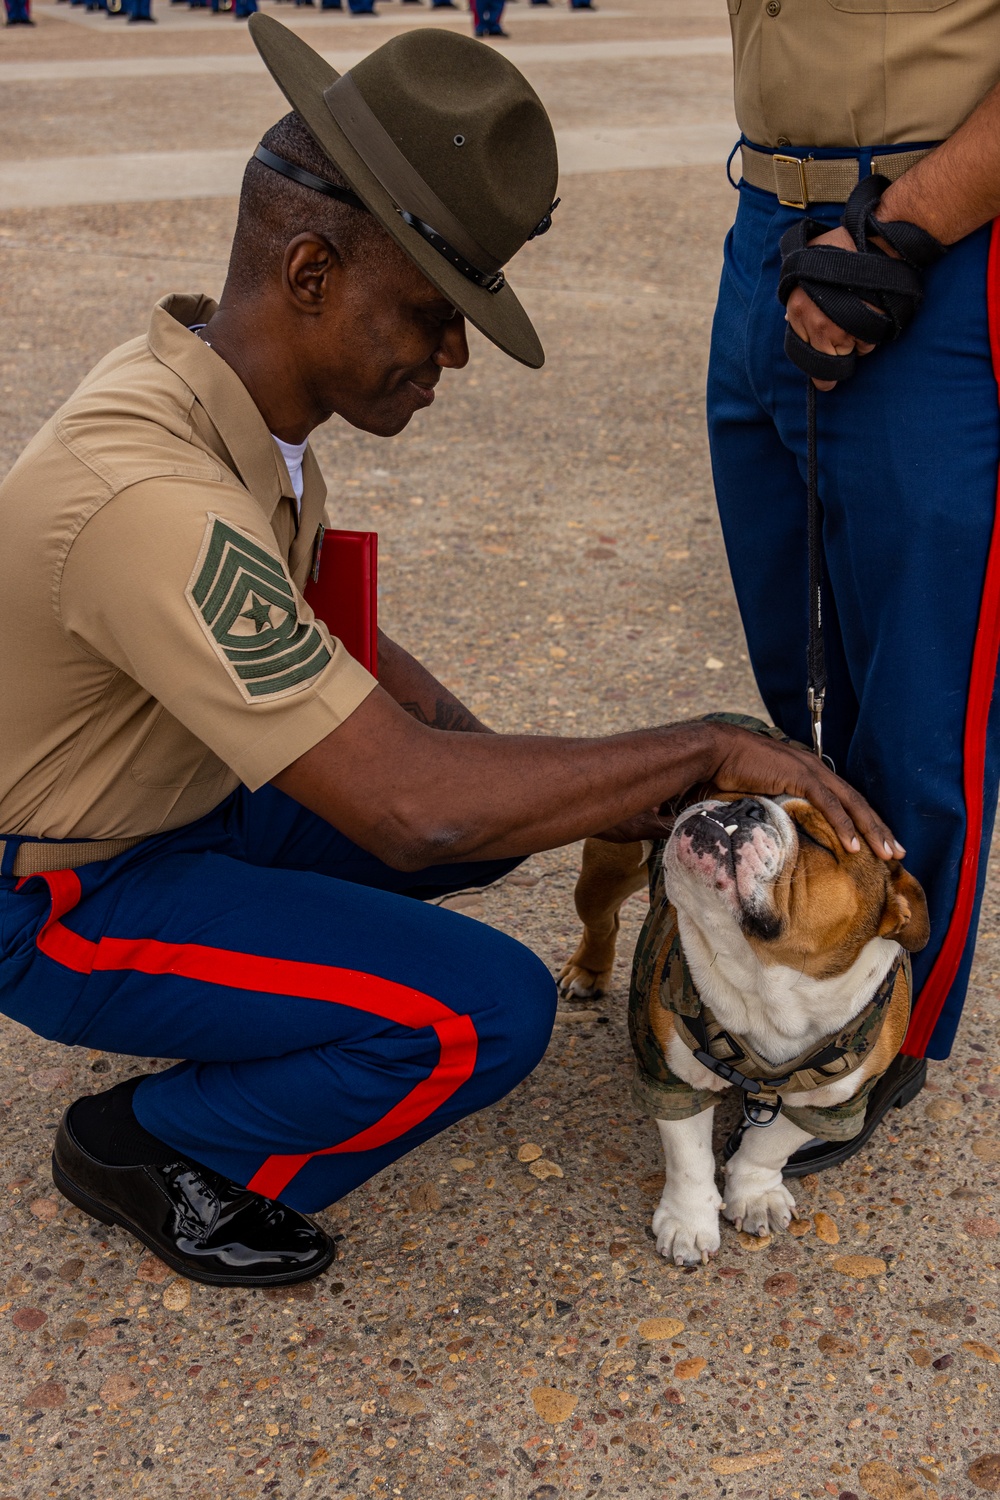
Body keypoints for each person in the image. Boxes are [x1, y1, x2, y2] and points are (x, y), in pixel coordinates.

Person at [0, 18, 898, 1290]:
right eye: (433, 311)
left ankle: (262, 992)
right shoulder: (145, 495)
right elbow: (410, 809)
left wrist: (517, 769)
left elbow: (317, 623)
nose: (453, 354)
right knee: (478, 1011)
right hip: (59, 892)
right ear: (311, 272)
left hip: (186, 807)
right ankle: (154, 1141)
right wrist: (703, 747)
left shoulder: (222, 396)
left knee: (500, 807)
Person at [707, 1, 1000, 1175]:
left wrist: (905, 230)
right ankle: (811, 964)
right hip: (762, 221)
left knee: (917, 695)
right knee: (798, 664)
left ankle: (886, 1038)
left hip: (930, 234)